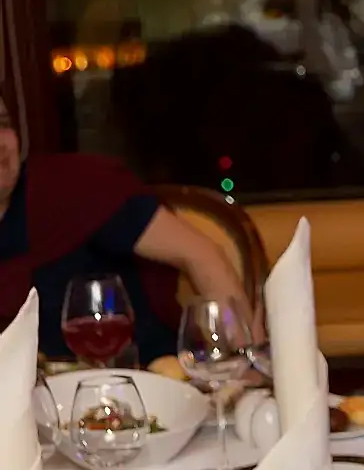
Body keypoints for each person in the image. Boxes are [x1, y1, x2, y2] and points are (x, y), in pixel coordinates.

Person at [0, 94, 254, 364]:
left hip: (146, 377)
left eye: (3, 123)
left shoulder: (74, 188)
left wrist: (246, 361)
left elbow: (201, 255)